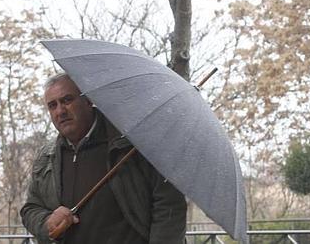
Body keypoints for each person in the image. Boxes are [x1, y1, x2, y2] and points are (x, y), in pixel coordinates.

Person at [21, 73, 187, 243]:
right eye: (52, 105)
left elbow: (169, 203)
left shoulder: (130, 144)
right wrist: (47, 223)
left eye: (67, 100)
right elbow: (30, 209)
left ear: (88, 100)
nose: (60, 111)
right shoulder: (47, 156)